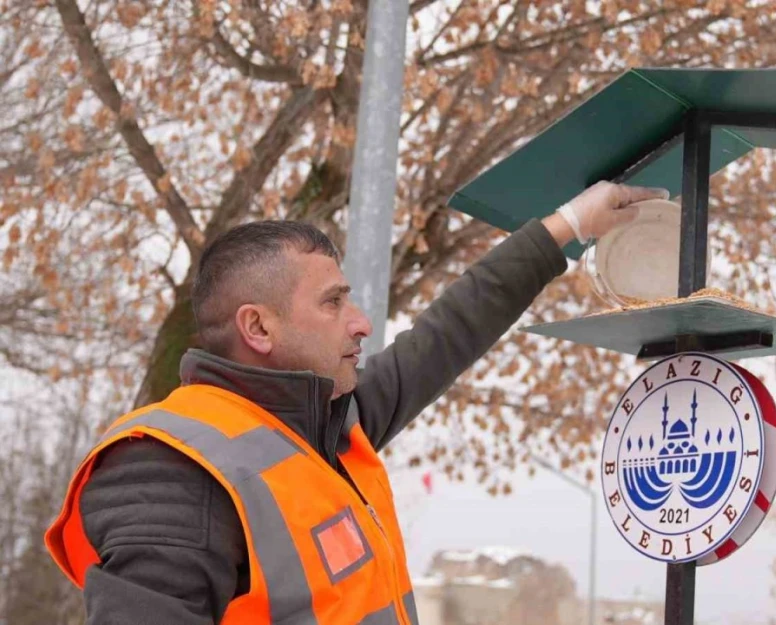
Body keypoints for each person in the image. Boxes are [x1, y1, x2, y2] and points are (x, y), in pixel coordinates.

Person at [45, 182, 667, 625]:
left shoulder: (329, 430)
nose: (363, 323)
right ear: (258, 329)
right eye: (333, 303)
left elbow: (449, 332)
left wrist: (569, 226)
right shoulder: (171, 470)